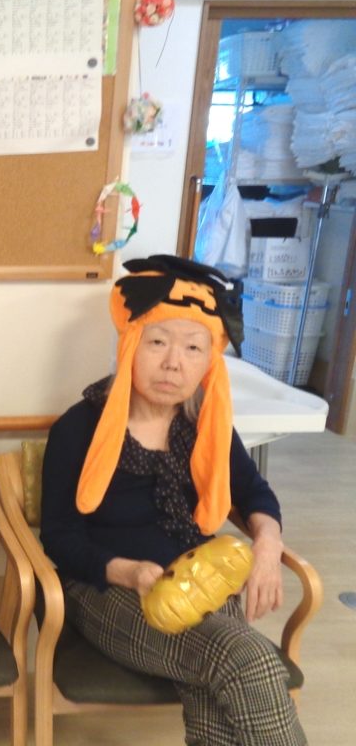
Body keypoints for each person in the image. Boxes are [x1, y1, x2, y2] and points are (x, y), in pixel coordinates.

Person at [41, 254, 306, 746]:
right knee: (250, 661)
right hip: (108, 592)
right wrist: (130, 572)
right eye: (158, 342)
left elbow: (254, 493)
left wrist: (268, 547)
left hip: (203, 582)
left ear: (209, 360)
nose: (173, 363)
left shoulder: (204, 423)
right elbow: (59, 537)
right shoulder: (78, 427)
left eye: (193, 347)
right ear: (130, 343)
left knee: (217, 691)